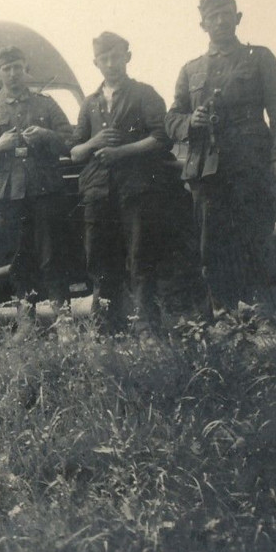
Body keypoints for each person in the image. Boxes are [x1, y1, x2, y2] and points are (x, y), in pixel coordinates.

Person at [164, 0, 276, 328]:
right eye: (212, 17)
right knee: (212, 245)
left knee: (255, 240)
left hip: (250, 166)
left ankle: (263, 317)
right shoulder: (191, 70)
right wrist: (191, 121)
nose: (220, 21)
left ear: (238, 18)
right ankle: (225, 318)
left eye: (226, 14)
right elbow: (171, 118)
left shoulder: (259, 58)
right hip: (208, 171)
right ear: (203, 25)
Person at [70, 32, 170, 334]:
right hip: (97, 191)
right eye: (104, 59)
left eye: (116, 56)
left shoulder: (144, 94)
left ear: (127, 57)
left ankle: (147, 328)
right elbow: (75, 152)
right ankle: (105, 330)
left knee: (140, 257)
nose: (111, 64)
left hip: (136, 189)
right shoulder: (90, 103)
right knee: (100, 260)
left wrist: (122, 152)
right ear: (96, 63)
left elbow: (161, 138)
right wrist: (95, 142)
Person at [0, 46, 74, 339]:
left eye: (17, 67)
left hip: (45, 190)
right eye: (7, 69)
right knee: (18, 259)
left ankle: (63, 320)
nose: (13, 74)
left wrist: (46, 135)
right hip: (7, 197)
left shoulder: (46, 105)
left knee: (52, 255)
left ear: (25, 69)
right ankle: (26, 322)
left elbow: (70, 141)